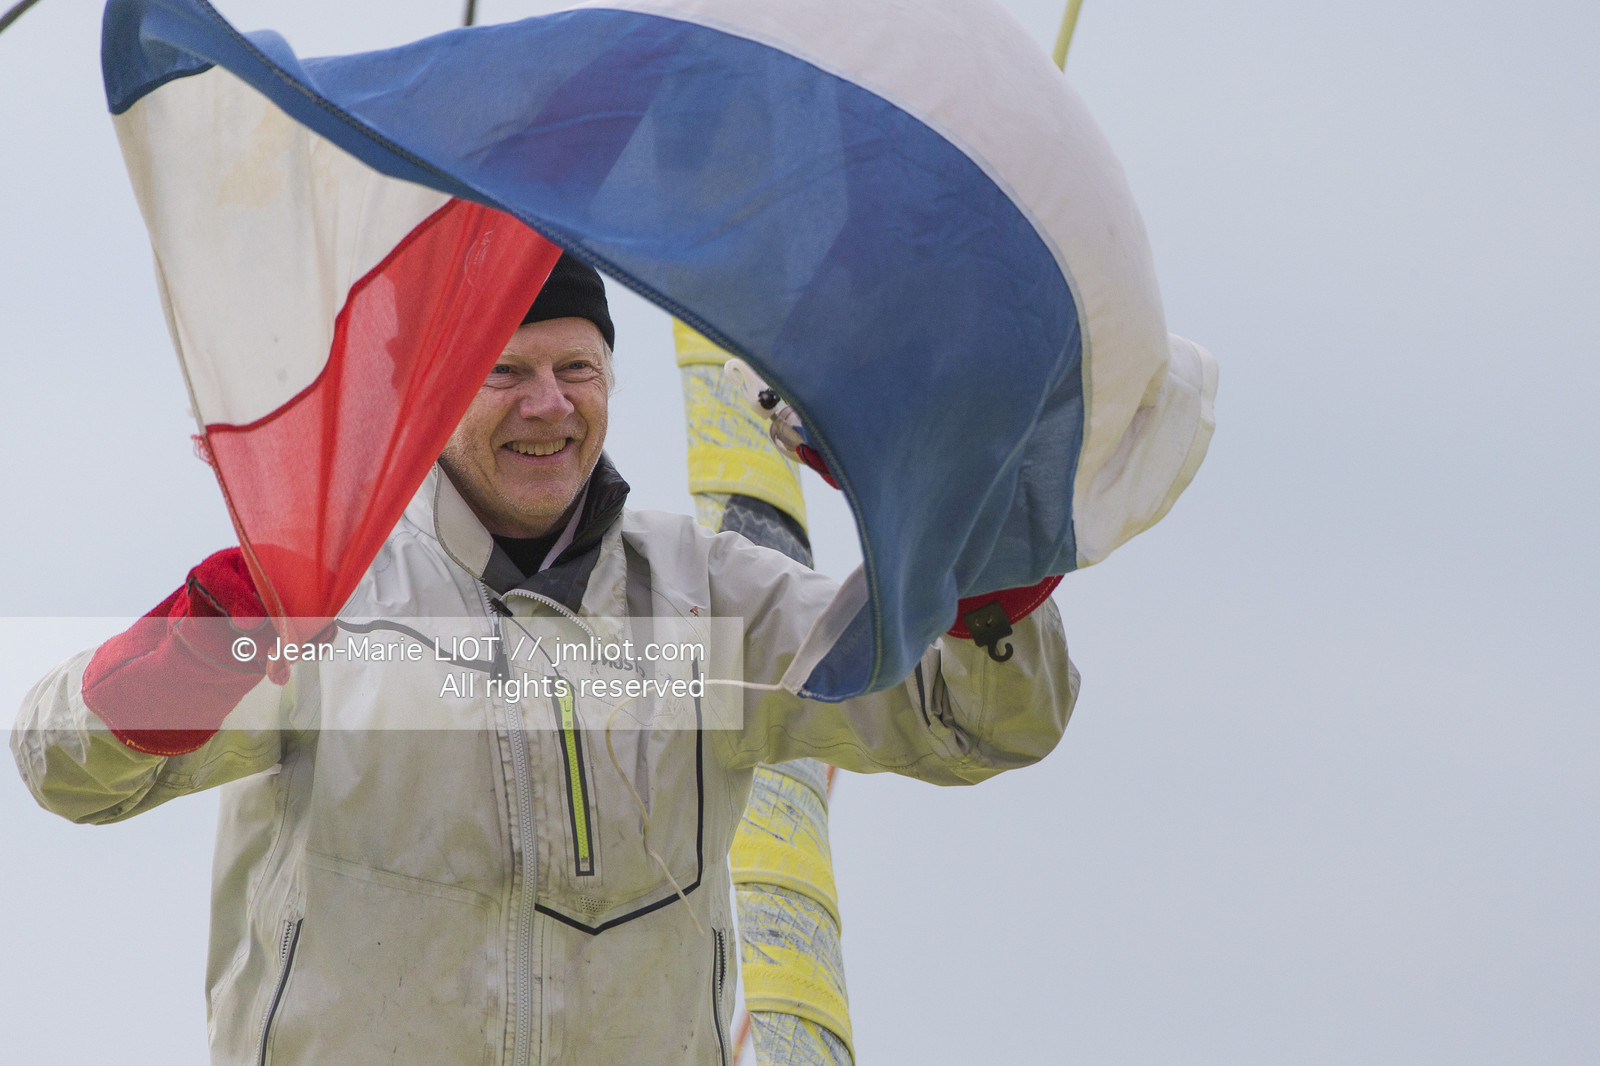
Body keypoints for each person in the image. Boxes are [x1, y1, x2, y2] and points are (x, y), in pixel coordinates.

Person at [11, 255, 1078, 1065]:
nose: (548, 404)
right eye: (503, 371)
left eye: (577, 367)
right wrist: (220, 630)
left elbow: (976, 719)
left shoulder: (706, 602)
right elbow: (64, 764)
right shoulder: (327, 606)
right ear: (428, 397)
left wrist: (958, 525)